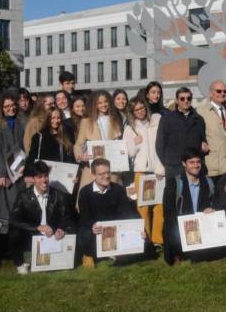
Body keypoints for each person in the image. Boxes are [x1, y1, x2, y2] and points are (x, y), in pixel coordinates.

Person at [8, 161, 74, 273]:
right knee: (14, 233)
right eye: (40, 177)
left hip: (52, 234)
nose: (44, 180)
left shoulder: (59, 195)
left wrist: (61, 229)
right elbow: (13, 220)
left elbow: (67, 218)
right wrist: (37, 227)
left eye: (46, 176)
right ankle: (20, 264)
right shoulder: (23, 196)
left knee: (72, 228)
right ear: (33, 179)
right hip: (32, 234)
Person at [161, 147, 217, 265]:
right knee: (169, 226)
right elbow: (168, 212)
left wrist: (211, 209)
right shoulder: (174, 183)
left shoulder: (207, 183)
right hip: (180, 226)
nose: (195, 166)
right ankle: (177, 253)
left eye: (198, 162)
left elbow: (215, 203)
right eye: (191, 162)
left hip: (201, 227)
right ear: (183, 164)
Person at [78, 158, 138, 266]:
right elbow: (84, 217)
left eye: (108, 172)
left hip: (115, 228)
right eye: (101, 174)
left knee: (142, 241)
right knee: (84, 232)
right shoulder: (85, 192)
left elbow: (126, 213)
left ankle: (117, 252)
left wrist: (136, 228)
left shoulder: (118, 190)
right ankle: (88, 254)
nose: (106, 176)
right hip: (96, 230)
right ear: (93, 175)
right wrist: (92, 225)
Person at [124, 97, 164, 246]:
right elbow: (128, 153)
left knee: (160, 206)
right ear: (132, 112)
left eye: (142, 108)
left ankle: (157, 239)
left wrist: (162, 167)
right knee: (143, 208)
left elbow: (162, 146)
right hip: (141, 172)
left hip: (158, 171)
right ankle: (145, 240)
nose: (140, 111)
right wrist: (135, 143)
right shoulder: (130, 129)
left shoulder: (156, 122)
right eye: (137, 110)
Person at [0, 92, 27, 239]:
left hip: (21, 168)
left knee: (20, 205)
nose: (10, 109)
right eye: (7, 107)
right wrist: (0, 174)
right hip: (6, 171)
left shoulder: (22, 121)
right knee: (7, 206)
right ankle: (7, 242)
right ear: (1, 108)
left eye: (12, 105)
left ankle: (21, 239)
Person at [73, 91, 124, 189]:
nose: (103, 105)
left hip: (112, 169)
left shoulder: (115, 120)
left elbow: (120, 144)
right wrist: (80, 156)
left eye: (106, 102)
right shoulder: (86, 122)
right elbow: (78, 144)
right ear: (94, 104)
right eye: (99, 103)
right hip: (92, 170)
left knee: (112, 198)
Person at [155, 88, 207, 180]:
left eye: (188, 98)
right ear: (176, 100)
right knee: (174, 193)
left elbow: (203, 141)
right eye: (182, 99)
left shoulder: (199, 119)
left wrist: (204, 148)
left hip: (193, 167)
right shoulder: (167, 119)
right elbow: (160, 145)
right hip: (174, 167)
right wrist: (168, 163)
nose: (186, 101)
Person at [197, 80, 226, 186]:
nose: (222, 94)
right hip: (212, 167)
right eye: (218, 91)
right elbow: (197, 137)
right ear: (211, 93)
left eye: (225, 91)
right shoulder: (201, 112)